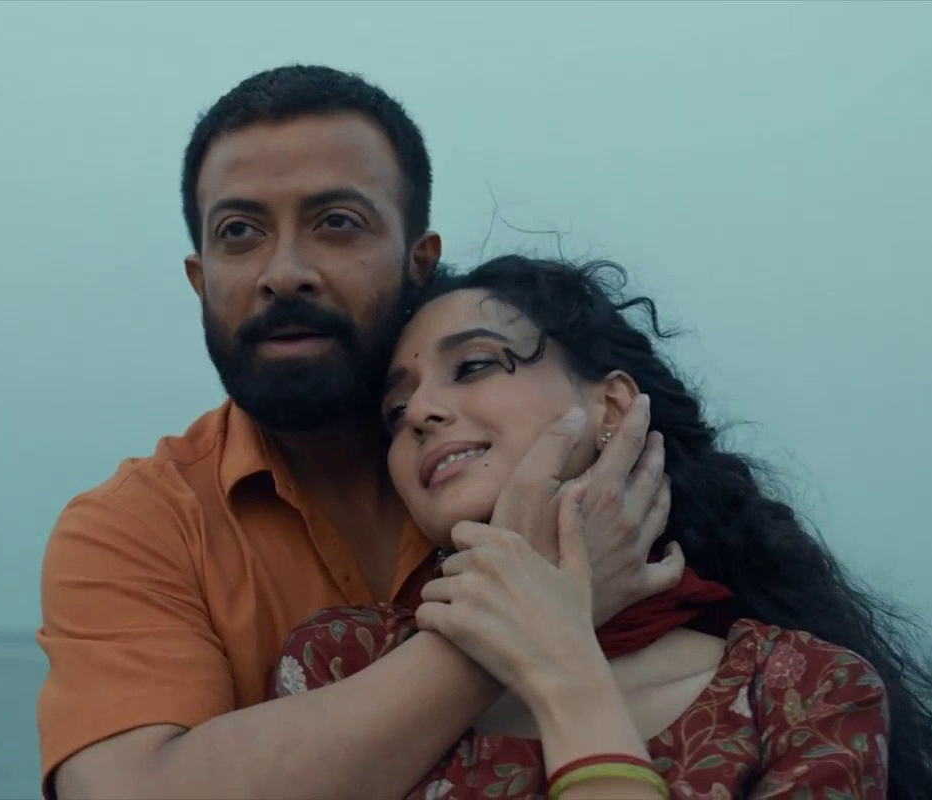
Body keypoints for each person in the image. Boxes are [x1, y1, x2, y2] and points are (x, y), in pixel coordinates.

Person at [36, 66, 684, 798]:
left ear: (420, 262)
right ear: (200, 278)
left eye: (337, 222)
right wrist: (537, 604)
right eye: (239, 232)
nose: (284, 273)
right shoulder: (135, 527)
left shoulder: (528, 468)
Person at [270, 255, 932, 798]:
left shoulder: (800, 691)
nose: (422, 413)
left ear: (612, 406)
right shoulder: (345, 662)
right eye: (395, 411)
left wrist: (563, 667)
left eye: (472, 366)